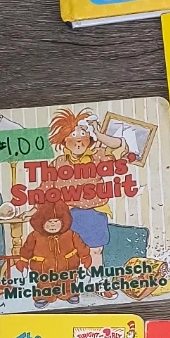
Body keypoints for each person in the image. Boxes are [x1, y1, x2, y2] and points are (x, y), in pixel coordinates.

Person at [48, 106, 126, 298]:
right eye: (73, 135)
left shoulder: (98, 155)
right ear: (64, 140)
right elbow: (45, 190)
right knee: (69, 252)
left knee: (96, 250)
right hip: (69, 214)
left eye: (83, 134)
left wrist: (98, 133)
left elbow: (120, 146)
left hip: (95, 211)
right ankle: (68, 285)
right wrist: (34, 211)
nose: (78, 140)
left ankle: (98, 283)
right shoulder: (58, 163)